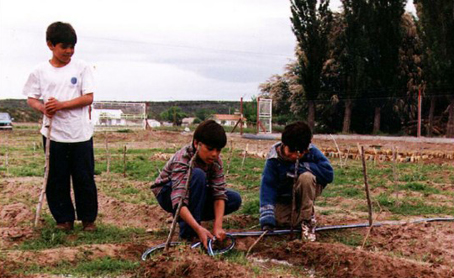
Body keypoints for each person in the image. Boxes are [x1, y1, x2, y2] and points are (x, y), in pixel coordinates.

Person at [23, 21, 98, 232]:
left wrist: (62, 105)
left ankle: (88, 220)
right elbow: (32, 98)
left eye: (72, 47)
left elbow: (88, 98)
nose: (69, 51)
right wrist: (43, 108)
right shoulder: (39, 71)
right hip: (53, 134)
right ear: (50, 45)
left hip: (80, 133)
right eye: (64, 47)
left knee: (84, 178)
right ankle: (63, 220)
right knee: (56, 179)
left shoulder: (82, 68)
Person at [152, 120, 242, 248]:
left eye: (218, 150)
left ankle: (194, 220)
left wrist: (218, 227)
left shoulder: (215, 161)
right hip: (167, 193)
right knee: (198, 175)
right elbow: (178, 200)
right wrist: (198, 228)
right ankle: (189, 234)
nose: (214, 154)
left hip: (195, 191)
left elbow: (219, 194)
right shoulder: (182, 160)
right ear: (196, 143)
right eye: (210, 149)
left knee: (234, 199)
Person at [259, 121, 333, 241]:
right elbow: (268, 187)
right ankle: (302, 216)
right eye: (291, 152)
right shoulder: (274, 159)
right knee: (280, 221)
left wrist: (300, 167)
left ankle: (306, 220)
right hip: (285, 196)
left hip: (306, 188)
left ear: (305, 150)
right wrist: (267, 218)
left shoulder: (312, 152)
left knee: (306, 177)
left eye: (298, 153)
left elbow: (328, 174)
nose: (294, 156)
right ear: (284, 144)